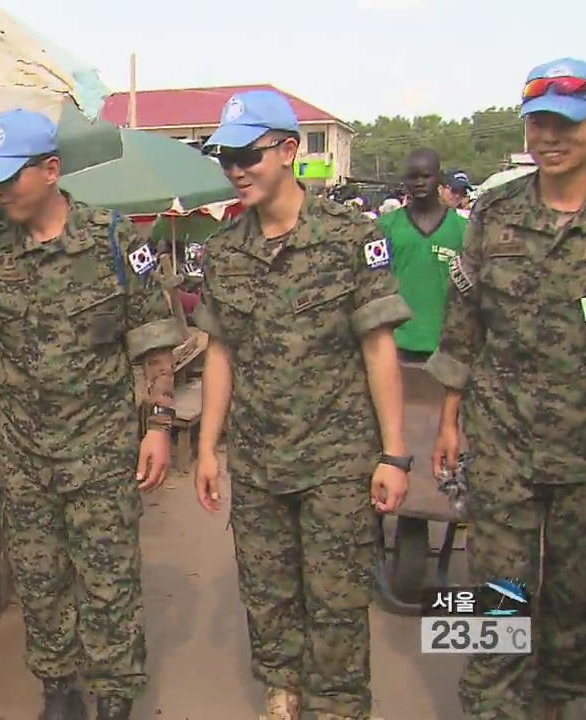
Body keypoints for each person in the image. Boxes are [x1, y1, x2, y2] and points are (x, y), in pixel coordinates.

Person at [0, 108, 182, 720]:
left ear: (51, 171)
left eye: (9, 177)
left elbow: (154, 340)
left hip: (101, 453)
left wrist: (159, 427)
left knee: (109, 582)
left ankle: (113, 696)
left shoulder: (112, 240)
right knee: (39, 577)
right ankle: (58, 689)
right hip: (26, 455)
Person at [192, 90, 412, 720]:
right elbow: (220, 353)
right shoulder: (225, 250)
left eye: (247, 155)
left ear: (288, 152)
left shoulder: (351, 238)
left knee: (338, 603)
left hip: (336, 461)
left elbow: (378, 347)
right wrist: (208, 448)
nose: (235, 169)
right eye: (225, 157)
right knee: (267, 596)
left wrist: (394, 454)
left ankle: (338, 708)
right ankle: (283, 695)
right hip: (259, 462)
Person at [428, 58, 586, 720]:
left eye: (566, 123)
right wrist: (449, 420)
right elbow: (464, 325)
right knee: (497, 590)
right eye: (538, 121)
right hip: (501, 443)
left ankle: (559, 705)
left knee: (579, 598)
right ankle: (490, 707)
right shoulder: (494, 212)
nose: (550, 136)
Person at [378, 148, 468, 362]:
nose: (419, 182)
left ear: (439, 177)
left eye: (426, 176)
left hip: (447, 345)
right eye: (412, 177)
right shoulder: (384, 228)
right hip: (396, 344)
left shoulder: (463, 229)